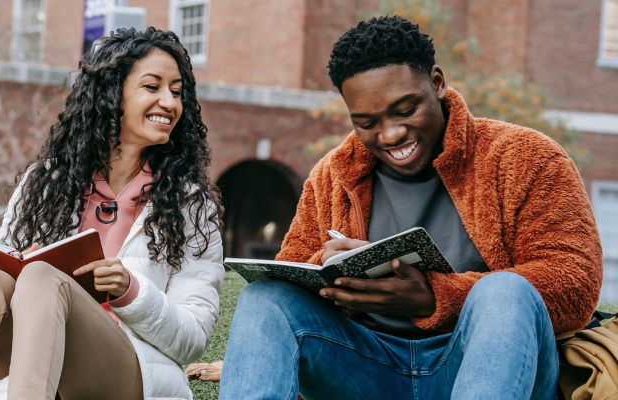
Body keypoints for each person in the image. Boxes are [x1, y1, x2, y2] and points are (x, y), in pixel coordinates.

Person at [219, 15, 603, 399]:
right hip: (366, 367)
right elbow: (292, 277)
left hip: (483, 365)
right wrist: (324, 265)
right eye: (367, 122)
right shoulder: (332, 175)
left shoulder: (526, 158)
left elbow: (575, 283)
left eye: (404, 110)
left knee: (505, 292)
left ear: (437, 83)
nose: (390, 134)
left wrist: (437, 296)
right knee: (266, 298)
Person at [0, 27, 225, 400]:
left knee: (43, 275)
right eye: (152, 87)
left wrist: (131, 291)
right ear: (110, 94)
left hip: (126, 372)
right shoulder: (44, 181)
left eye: (176, 91)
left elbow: (193, 339)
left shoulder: (189, 204)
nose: (169, 103)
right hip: (24, 356)